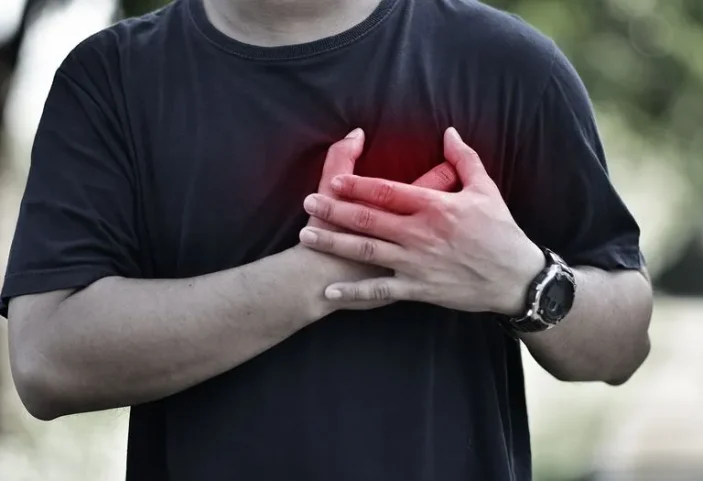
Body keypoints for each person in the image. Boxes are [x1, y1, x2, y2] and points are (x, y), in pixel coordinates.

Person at [0, 0, 653, 479]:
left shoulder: (509, 66)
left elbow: (622, 343)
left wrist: (523, 279)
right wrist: (330, 268)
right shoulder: (111, 80)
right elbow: (47, 361)